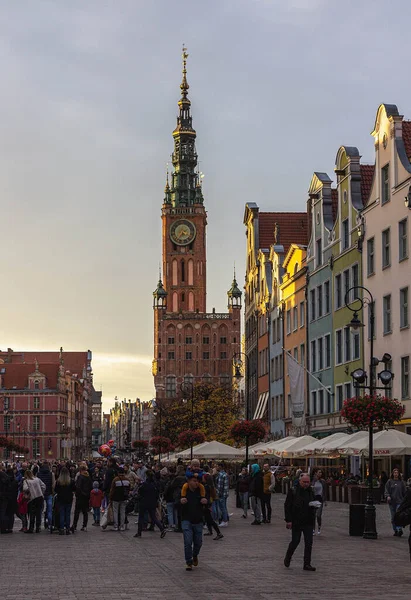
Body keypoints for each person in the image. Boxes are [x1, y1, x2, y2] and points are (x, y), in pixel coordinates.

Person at [284, 472, 316, 571]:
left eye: (308, 482)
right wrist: (288, 520)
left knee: (308, 542)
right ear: (299, 481)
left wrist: (314, 505)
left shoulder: (311, 491)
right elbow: (287, 506)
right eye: (304, 482)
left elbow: (312, 502)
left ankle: (307, 563)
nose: (306, 484)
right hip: (296, 520)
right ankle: (288, 557)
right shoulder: (293, 490)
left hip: (308, 521)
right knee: (295, 541)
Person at [180, 473, 208, 570]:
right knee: (187, 542)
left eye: (197, 481)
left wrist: (206, 502)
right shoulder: (184, 492)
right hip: (186, 520)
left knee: (198, 542)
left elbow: (208, 503)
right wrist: (180, 502)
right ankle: (188, 561)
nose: (196, 483)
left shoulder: (201, 491)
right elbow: (175, 502)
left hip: (198, 520)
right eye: (194, 481)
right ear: (189, 481)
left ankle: (195, 554)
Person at [134, 470, 166, 538]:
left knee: (141, 517)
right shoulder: (155, 484)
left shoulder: (144, 484)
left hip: (144, 502)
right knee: (153, 517)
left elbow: (140, 492)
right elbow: (157, 494)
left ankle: (139, 532)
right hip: (152, 503)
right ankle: (162, 529)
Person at [385, 468, 407, 536]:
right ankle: (395, 530)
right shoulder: (389, 481)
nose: (396, 474)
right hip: (392, 502)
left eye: (397, 473)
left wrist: (405, 500)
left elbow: (405, 492)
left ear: (399, 474)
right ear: (392, 473)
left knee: (398, 516)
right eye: (395, 473)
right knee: (393, 517)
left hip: (399, 502)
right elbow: (386, 490)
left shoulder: (402, 482)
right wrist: (387, 496)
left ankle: (399, 529)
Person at [55, 467, 75, 535]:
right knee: (68, 514)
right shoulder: (71, 481)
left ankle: (61, 529)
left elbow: (56, 490)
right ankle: (67, 529)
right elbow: (74, 489)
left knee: (62, 514)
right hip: (69, 499)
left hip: (60, 499)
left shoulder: (58, 481)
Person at [202, 473, 223, 540]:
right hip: (209, 504)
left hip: (206, 504)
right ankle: (210, 531)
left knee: (210, 519)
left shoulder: (206, 487)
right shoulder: (210, 486)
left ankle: (219, 533)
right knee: (207, 519)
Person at [72, 465, 92, 532]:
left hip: (80, 496)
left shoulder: (80, 477)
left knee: (77, 511)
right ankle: (85, 526)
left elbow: (78, 487)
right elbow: (90, 487)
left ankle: (74, 526)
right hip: (86, 497)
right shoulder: (88, 477)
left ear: (80, 470)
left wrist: (77, 494)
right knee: (85, 512)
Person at [109, 466, 130, 531]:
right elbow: (129, 488)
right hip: (124, 498)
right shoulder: (127, 479)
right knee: (122, 512)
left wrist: (110, 497)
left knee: (115, 511)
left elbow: (112, 490)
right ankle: (122, 526)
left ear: (118, 472)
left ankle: (116, 526)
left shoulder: (115, 479)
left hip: (116, 498)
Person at [38, 461, 55, 530]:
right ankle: (50, 525)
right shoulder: (51, 474)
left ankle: (38, 525)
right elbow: (53, 485)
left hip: (41, 494)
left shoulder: (38, 474)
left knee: (39, 510)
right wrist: (53, 492)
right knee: (49, 510)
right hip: (49, 493)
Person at [312, 469, 327, 535]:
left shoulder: (323, 481)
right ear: (316, 473)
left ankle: (319, 527)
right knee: (313, 515)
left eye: (321, 472)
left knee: (318, 515)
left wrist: (325, 500)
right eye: (319, 472)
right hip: (313, 499)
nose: (320, 473)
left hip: (320, 499)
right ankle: (313, 529)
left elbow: (325, 491)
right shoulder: (312, 481)